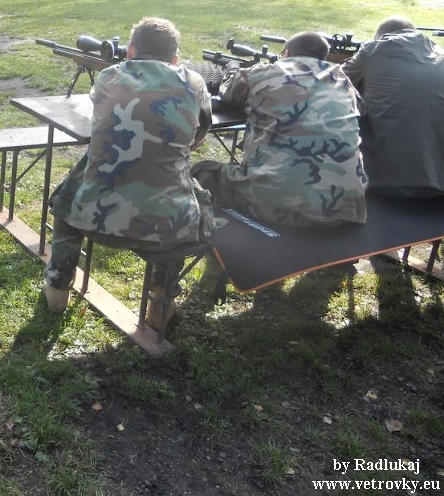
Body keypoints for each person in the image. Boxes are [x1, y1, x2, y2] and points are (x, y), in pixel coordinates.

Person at [43, 17, 221, 327]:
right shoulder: (194, 83)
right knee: (192, 198)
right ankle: (160, 300)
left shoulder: (108, 76)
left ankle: (58, 285)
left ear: (130, 51)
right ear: (175, 58)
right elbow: (199, 136)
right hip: (165, 229)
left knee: (67, 194)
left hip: (94, 220)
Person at [193, 32, 367, 227]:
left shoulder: (262, 73)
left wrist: (233, 70)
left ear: (286, 53)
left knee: (201, 172)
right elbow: (360, 109)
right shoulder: (343, 81)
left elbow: (228, 93)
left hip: (277, 206)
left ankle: (207, 235)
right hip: (345, 210)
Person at [341, 16, 444, 197]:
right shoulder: (439, 53)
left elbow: (334, 83)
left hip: (384, 181)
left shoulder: (372, 50)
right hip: (438, 178)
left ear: (380, 35)